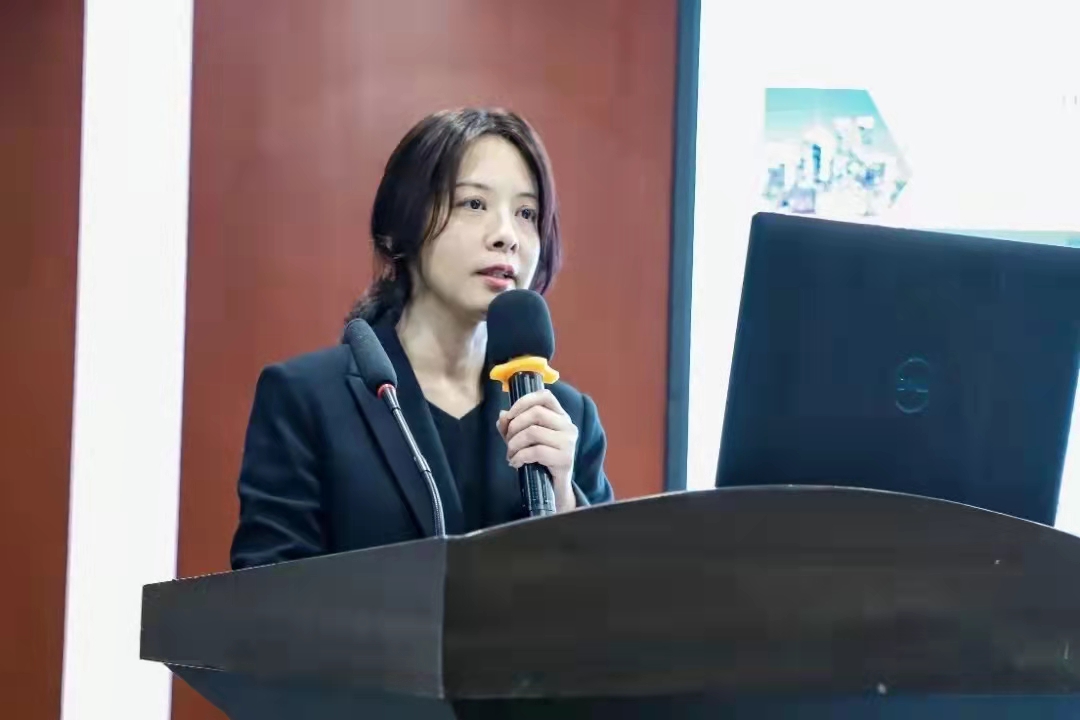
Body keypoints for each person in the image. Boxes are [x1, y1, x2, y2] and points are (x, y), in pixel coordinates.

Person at [230, 108, 615, 570]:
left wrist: (564, 500)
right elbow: (266, 593)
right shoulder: (306, 399)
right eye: (474, 204)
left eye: (526, 213)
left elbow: (609, 600)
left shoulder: (567, 418)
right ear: (404, 225)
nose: (506, 236)